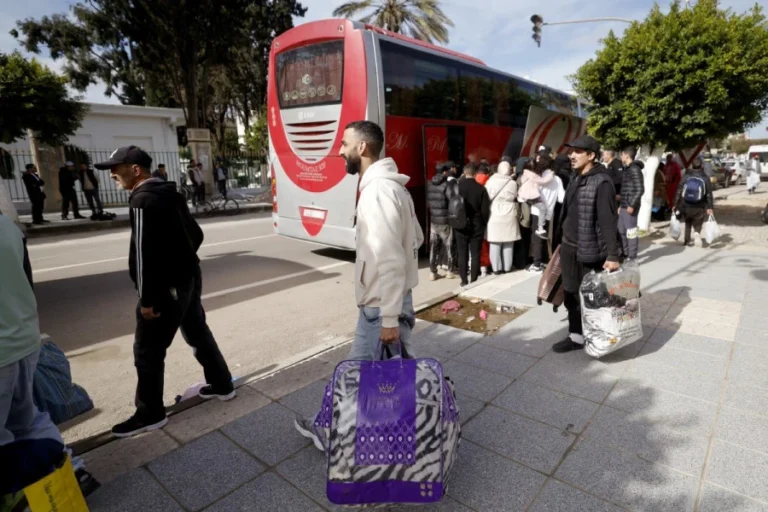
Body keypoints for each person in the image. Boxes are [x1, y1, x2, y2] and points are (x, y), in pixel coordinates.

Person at [293, 120, 423, 445]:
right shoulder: (396, 187)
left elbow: (390, 258)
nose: (340, 151)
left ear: (361, 147)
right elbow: (416, 238)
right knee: (394, 374)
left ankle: (330, 432)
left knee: (353, 376)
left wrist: (389, 318)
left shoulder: (377, 192)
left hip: (381, 307)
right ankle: (398, 436)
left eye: (344, 144)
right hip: (394, 299)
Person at [95, 146, 235, 438]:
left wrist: (147, 300)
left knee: (147, 349)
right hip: (190, 276)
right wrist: (183, 263)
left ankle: (150, 414)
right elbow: (196, 234)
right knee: (197, 330)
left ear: (135, 170)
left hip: (165, 289)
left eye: (116, 168)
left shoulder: (142, 200)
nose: (112, 174)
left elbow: (142, 256)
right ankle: (222, 384)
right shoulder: (170, 192)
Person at [552, 134, 620, 353]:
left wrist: (613, 255)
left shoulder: (602, 181)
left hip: (589, 249)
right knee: (570, 292)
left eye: (577, 152)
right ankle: (576, 336)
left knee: (592, 296)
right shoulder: (576, 176)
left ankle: (598, 335)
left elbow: (608, 220)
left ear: (591, 155)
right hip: (569, 247)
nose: (571, 155)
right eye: (571, 151)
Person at [527, 156, 565, 273]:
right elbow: (561, 198)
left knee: (536, 238)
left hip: (537, 211)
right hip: (549, 213)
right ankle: (543, 261)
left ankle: (536, 264)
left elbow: (532, 193)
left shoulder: (538, 178)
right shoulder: (557, 179)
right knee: (544, 237)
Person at [456, 163, 491, 286]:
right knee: (475, 254)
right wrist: (483, 223)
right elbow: (485, 210)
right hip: (477, 224)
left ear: (464, 173)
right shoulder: (481, 189)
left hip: (460, 224)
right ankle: (474, 280)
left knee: (462, 253)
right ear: (476, 174)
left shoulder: (457, 187)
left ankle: (463, 280)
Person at [484, 160, 520, 274]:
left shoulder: (491, 181)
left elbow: (487, 197)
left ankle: (496, 268)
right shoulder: (513, 183)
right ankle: (507, 267)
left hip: (494, 213)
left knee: (495, 243)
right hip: (509, 213)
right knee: (508, 242)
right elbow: (515, 196)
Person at [674, 155, 714, 247]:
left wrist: (675, 204)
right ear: (701, 166)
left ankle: (687, 241)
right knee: (698, 221)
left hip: (686, 204)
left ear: (692, 165)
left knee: (688, 223)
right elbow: (709, 194)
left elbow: (679, 190)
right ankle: (696, 233)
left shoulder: (686, 176)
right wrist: (710, 207)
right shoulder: (705, 177)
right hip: (700, 205)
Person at [427, 162, 457, 280]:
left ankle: (432, 272)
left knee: (433, 246)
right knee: (449, 246)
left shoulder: (430, 184)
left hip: (434, 219)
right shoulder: (446, 185)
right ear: (445, 172)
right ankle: (449, 271)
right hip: (445, 220)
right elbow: (452, 200)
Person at [618, 147, 645, 260]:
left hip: (630, 206)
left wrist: (632, 205)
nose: (621, 157)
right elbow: (625, 189)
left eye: (622, 154)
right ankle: (625, 254)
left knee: (631, 232)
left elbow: (640, 189)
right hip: (624, 205)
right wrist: (621, 205)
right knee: (621, 230)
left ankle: (632, 257)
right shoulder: (627, 169)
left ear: (627, 155)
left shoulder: (634, 169)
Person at [518, 154, 554, 238]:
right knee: (543, 208)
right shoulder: (533, 176)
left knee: (526, 216)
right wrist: (551, 174)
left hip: (523, 196)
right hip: (531, 196)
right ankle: (540, 228)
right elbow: (544, 181)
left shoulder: (525, 173)